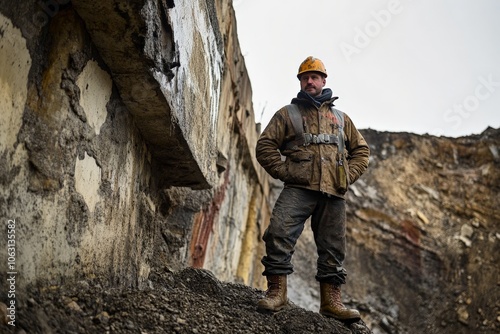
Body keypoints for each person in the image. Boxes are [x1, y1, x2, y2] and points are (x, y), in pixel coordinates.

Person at [255, 56, 370, 321]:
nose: (309, 81)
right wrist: (285, 172)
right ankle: (277, 294)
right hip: (299, 188)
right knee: (278, 233)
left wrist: (346, 176)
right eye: (305, 77)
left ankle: (331, 303)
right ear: (300, 82)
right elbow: (265, 146)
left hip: (334, 192)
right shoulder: (288, 114)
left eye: (314, 77)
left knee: (333, 247)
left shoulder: (341, 119)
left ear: (323, 80)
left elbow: (361, 151)